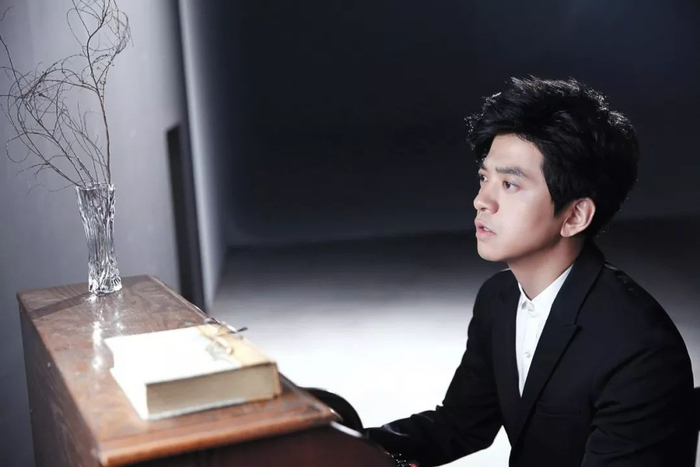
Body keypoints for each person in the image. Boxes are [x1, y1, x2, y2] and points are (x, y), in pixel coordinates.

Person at [364, 77, 695, 466]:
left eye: (509, 184)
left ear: (575, 216)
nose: (482, 201)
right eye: (484, 178)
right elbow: (458, 425)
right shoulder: (498, 298)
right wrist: (333, 440)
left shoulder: (639, 349)